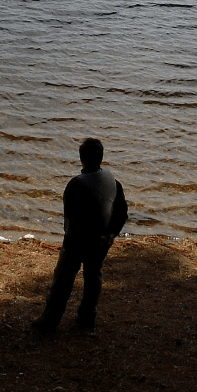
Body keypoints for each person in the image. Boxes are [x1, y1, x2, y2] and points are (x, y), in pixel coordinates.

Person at [32, 137, 127, 333]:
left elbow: (71, 220)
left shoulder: (76, 184)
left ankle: (50, 320)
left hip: (78, 242)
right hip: (102, 241)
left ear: (81, 159)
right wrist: (111, 234)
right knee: (93, 277)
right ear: (101, 157)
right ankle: (87, 317)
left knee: (63, 280)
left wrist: (69, 244)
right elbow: (121, 212)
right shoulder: (113, 181)